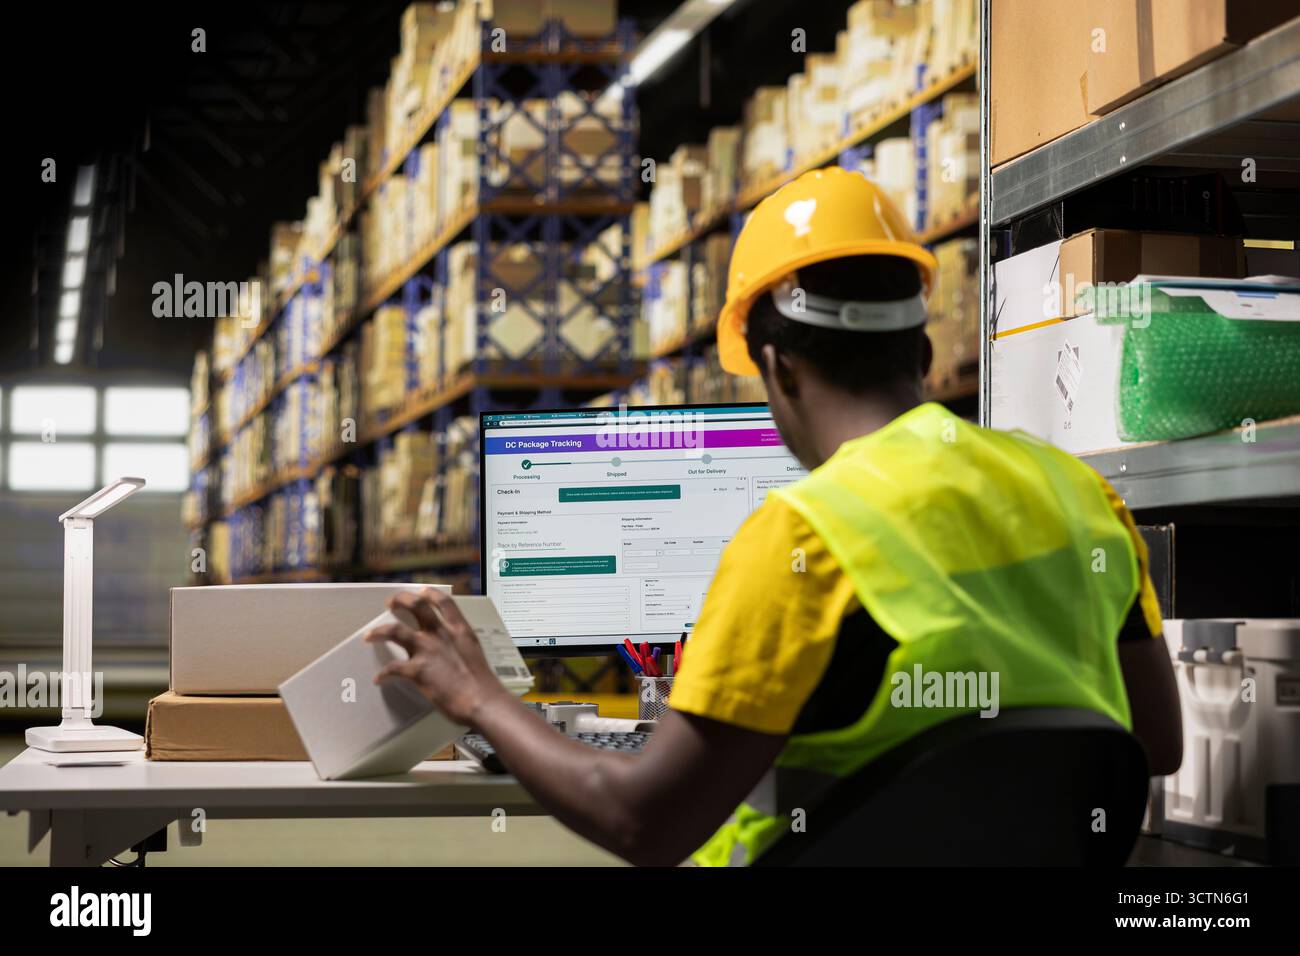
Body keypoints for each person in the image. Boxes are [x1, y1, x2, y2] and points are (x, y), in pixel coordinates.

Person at [366, 167, 1182, 867]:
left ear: (775, 364)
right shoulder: (1079, 493)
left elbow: (644, 822)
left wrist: (478, 699)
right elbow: (1154, 744)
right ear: (924, 355)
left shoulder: (805, 536)